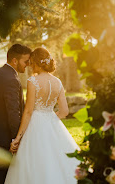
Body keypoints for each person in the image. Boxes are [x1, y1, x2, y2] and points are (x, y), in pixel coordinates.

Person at [5, 47, 80, 184]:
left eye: (32, 62)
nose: (30, 66)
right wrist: (50, 120)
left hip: (35, 124)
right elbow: (64, 111)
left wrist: (18, 137)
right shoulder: (58, 82)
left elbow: (28, 112)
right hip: (52, 121)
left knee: (33, 162)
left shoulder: (32, 81)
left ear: (37, 63)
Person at [0, 44, 32, 184]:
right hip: (4, 134)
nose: (27, 65)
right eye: (25, 61)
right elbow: (13, 112)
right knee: (1, 171)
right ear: (15, 61)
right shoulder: (12, 80)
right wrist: (16, 138)